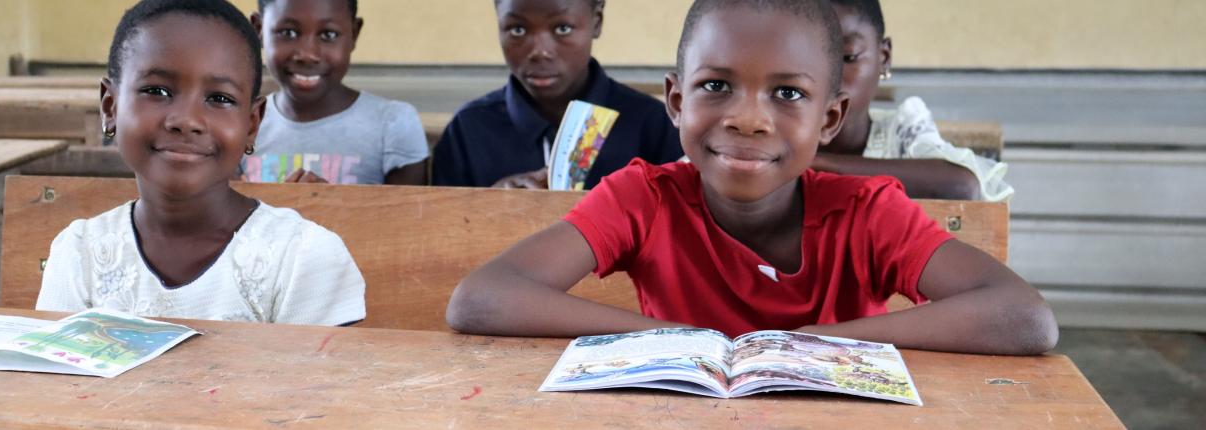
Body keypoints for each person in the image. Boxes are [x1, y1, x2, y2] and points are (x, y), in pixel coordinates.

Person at [446, 0, 1056, 355]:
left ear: (830, 118)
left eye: (788, 92)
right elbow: (482, 298)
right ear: (676, 101)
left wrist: (812, 346)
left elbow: (1025, 318)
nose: (747, 119)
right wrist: (684, 340)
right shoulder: (644, 198)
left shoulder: (867, 211)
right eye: (716, 86)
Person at [37, 0, 365, 326]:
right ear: (110, 108)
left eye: (219, 98)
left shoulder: (304, 260)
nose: (186, 120)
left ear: (251, 124)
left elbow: (324, 377)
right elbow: (53, 377)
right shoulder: (81, 254)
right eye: (157, 90)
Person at [431, 0, 683, 189]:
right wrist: (488, 208)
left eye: (562, 28)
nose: (539, 51)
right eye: (517, 30)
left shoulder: (653, 124)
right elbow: (440, 237)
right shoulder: (469, 129)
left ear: (596, 22)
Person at [812, 0, 1013, 201]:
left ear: (884, 58)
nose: (829, 74)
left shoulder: (901, 132)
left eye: (848, 56)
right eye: (811, 57)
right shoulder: (783, 128)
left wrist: (815, 165)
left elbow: (963, 187)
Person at [241, 0, 430, 185]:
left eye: (328, 34)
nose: (308, 54)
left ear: (354, 34)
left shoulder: (392, 123)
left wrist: (329, 206)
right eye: (288, 33)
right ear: (258, 29)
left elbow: (415, 214)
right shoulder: (241, 123)